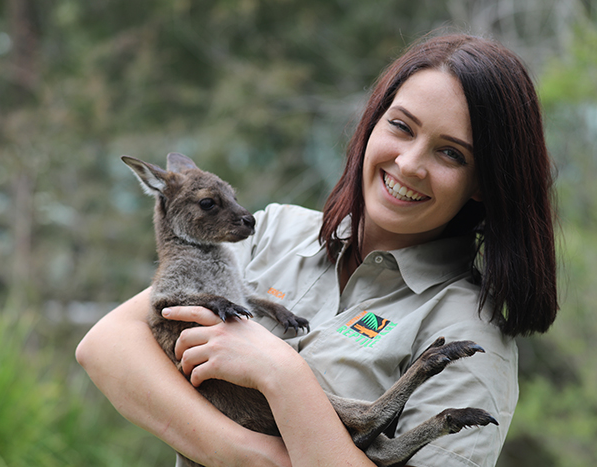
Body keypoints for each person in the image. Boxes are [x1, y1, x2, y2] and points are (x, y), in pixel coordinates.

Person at [76, 33, 558, 467]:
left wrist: (282, 377)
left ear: (483, 184)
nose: (409, 164)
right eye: (401, 127)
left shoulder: (466, 327)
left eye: (451, 153)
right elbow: (107, 346)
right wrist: (247, 454)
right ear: (372, 125)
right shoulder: (275, 232)